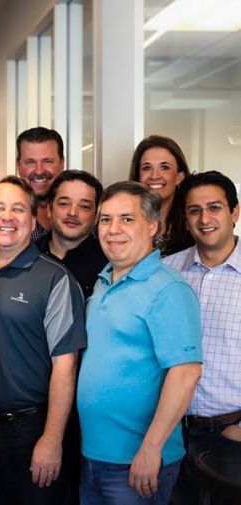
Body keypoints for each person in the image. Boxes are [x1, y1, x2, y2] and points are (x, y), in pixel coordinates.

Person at [0, 176, 86, 504]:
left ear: (33, 222)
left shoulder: (55, 278)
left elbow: (65, 367)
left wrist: (52, 439)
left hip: (31, 430)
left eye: (18, 209)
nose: (7, 217)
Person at [78, 181, 202, 504]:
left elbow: (186, 373)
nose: (113, 229)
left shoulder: (169, 289)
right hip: (93, 455)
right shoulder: (103, 282)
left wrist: (151, 448)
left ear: (152, 226)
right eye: (106, 219)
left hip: (138, 460)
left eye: (127, 219)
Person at [163, 171, 241, 504]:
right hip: (170, 434)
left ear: (235, 211)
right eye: (195, 210)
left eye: (214, 208)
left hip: (231, 437)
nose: (204, 219)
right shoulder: (166, 271)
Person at [0, 127, 65, 255]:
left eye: (47, 161)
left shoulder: (82, 215)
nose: (39, 171)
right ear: (18, 165)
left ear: (62, 163)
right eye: (30, 162)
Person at [36, 170, 107, 298]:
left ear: (96, 216)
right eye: (64, 204)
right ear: (49, 210)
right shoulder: (27, 256)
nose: (73, 213)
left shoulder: (108, 263)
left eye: (84, 206)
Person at [129, 135, 193, 256]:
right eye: (147, 168)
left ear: (179, 177)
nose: (154, 176)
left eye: (164, 167)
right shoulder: (122, 224)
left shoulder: (193, 226)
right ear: (137, 177)